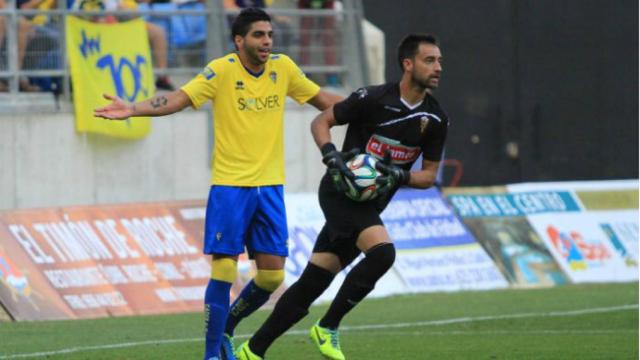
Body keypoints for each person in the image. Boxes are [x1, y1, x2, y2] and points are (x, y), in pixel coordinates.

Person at [94, 7, 342, 360]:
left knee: (272, 278)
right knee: (224, 269)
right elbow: (178, 98)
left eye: (269, 34)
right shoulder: (221, 70)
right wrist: (134, 108)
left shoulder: (283, 68)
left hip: (270, 187)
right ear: (239, 40)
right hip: (230, 187)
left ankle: (226, 328)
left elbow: (325, 101)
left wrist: (370, 109)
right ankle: (212, 355)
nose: (267, 41)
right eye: (258, 35)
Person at [236, 33, 448, 360]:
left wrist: (401, 175)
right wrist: (331, 155)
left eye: (439, 61)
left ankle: (252, 350)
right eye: (429, 60)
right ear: (408, 64)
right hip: (339, 192)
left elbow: (429, 176)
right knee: (383, 254)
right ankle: (328, 326)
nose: (438, 68)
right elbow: (322, 120)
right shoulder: (373, 98)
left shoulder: (435, 119)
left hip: (370, 203)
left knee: (312, 283)